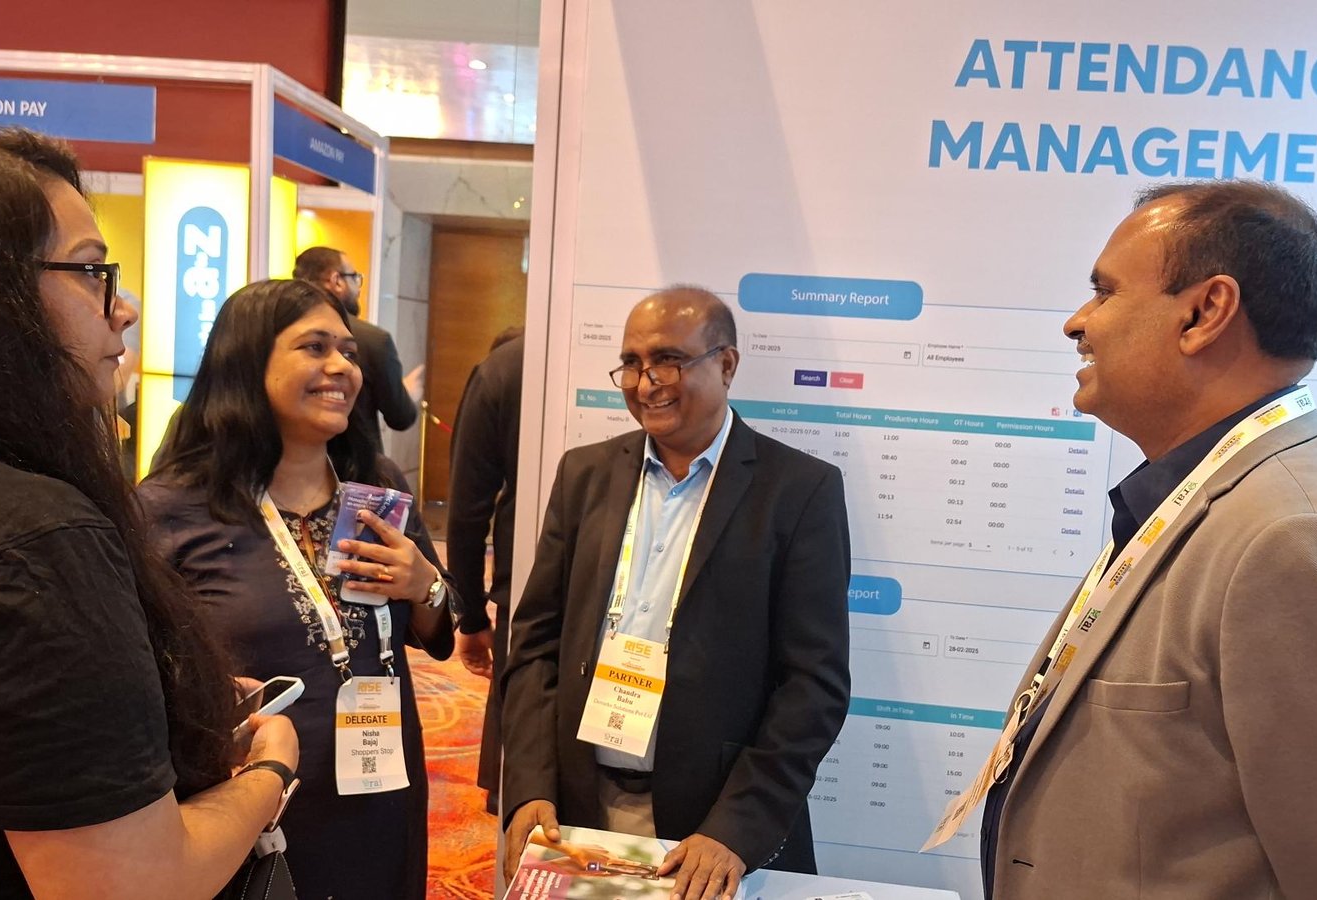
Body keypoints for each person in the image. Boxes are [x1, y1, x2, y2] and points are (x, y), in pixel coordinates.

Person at [0, 124, 298, 899]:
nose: (124, 309)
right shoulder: (25, 538)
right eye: (90, 271)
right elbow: (133, 886)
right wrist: (270, 769)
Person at [974, 181, 1317, 898]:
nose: (1077, 323)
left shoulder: (1298, 538)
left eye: (1105, 292)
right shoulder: (1222, 498)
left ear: (1205, 313)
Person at [500, 287, 852, 900]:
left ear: (727, 364)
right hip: (579, 808)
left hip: (711, 828)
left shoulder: (798, 491)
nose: (646, 383)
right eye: (631, 363)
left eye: (667, 360)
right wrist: (531, 784)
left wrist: (734, 829)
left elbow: (813, 684)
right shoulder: (585, 474)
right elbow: (535, 644)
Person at [139, 278, 458, 900]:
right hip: (251, 803)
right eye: (315, 347)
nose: (341, 366)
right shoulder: (171, 509)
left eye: (349, 352)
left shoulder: (376, 488)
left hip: (381, 784)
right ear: (247, 362)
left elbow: (439, 634)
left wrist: (426, 587)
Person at [447, 326, 525, 813]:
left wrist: (472, 618)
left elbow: (466, 513)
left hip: (525, 584)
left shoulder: (501, 369)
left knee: (520, 710)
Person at [293, 245, 418, 448]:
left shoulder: (280, 330)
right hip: (355, 460)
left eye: (349, 354)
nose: (340, 366)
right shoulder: (373, 340)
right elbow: (401, 417)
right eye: (354, 277)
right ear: (336, 280)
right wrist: (407, 394)